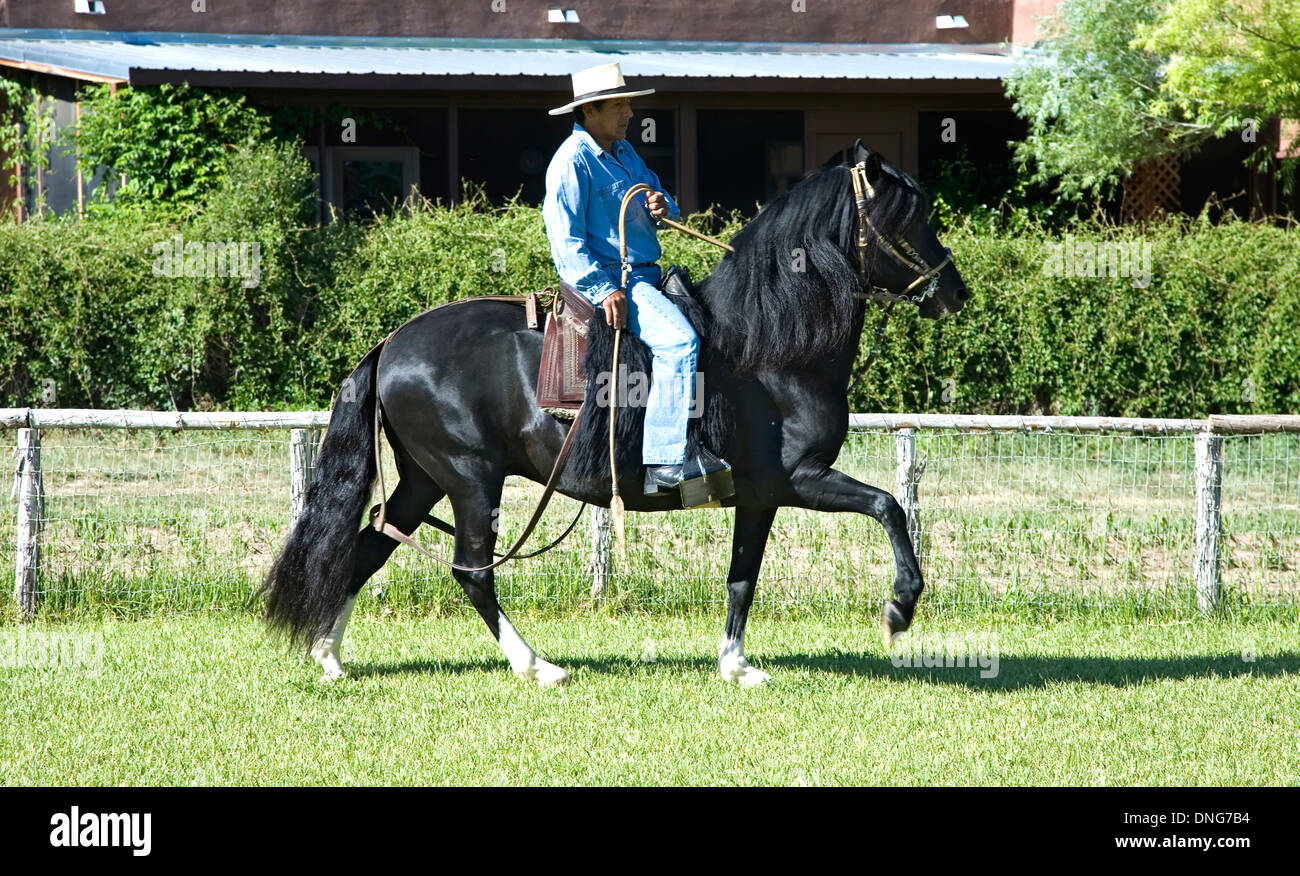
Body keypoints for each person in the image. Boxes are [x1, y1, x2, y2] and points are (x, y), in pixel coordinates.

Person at [542, 62, 730, 501]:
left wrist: (663, 204)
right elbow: (564, 241)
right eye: (620, 104)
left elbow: (662, 204)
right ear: (590, 111)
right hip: (620, 282)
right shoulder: (571, 162)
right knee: (680, 342)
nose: (630, 112)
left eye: (629, 103)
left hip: (649, 276)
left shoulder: (627, 154)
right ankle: (665, 460)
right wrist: (603, 289)